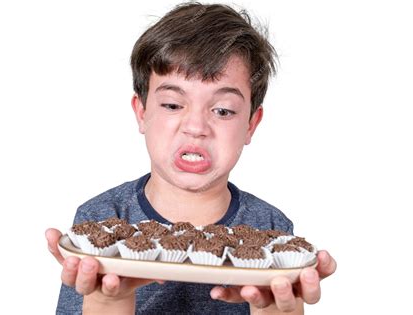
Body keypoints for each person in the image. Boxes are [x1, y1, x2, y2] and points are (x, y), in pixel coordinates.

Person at [46, 2, 336, 314]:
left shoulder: (271, 230)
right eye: (172, 105)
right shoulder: (101, 218)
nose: (196, 127)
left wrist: (279, 308)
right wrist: (108, 298)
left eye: (222, 110)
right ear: (141, 112)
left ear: (251, 124)